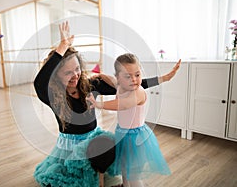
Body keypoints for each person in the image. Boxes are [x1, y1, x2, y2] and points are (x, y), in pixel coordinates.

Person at [33, 21, 180, 187]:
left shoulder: (88, 85)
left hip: (94, 140)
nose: (75, 75)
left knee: (112, 147)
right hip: (70, 147)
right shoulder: (53, 95)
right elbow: (39, 82)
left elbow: (130, 84)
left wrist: (162, 79)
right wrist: (63, 46)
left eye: (77, 69)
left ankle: (102, 176)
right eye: (68, 72)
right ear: (56, 75)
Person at [86, 53, 173, 187]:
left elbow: (124, 104)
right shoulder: (121, 86)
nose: (133, 79)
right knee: (124, 169)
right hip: (122, 133)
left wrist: (100, 104)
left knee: (133, 174)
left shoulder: (138, 92)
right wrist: (101, 75)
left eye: (137, 75)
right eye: (128, 76)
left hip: (136, 137)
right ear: (119, 78)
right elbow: (112, 81)